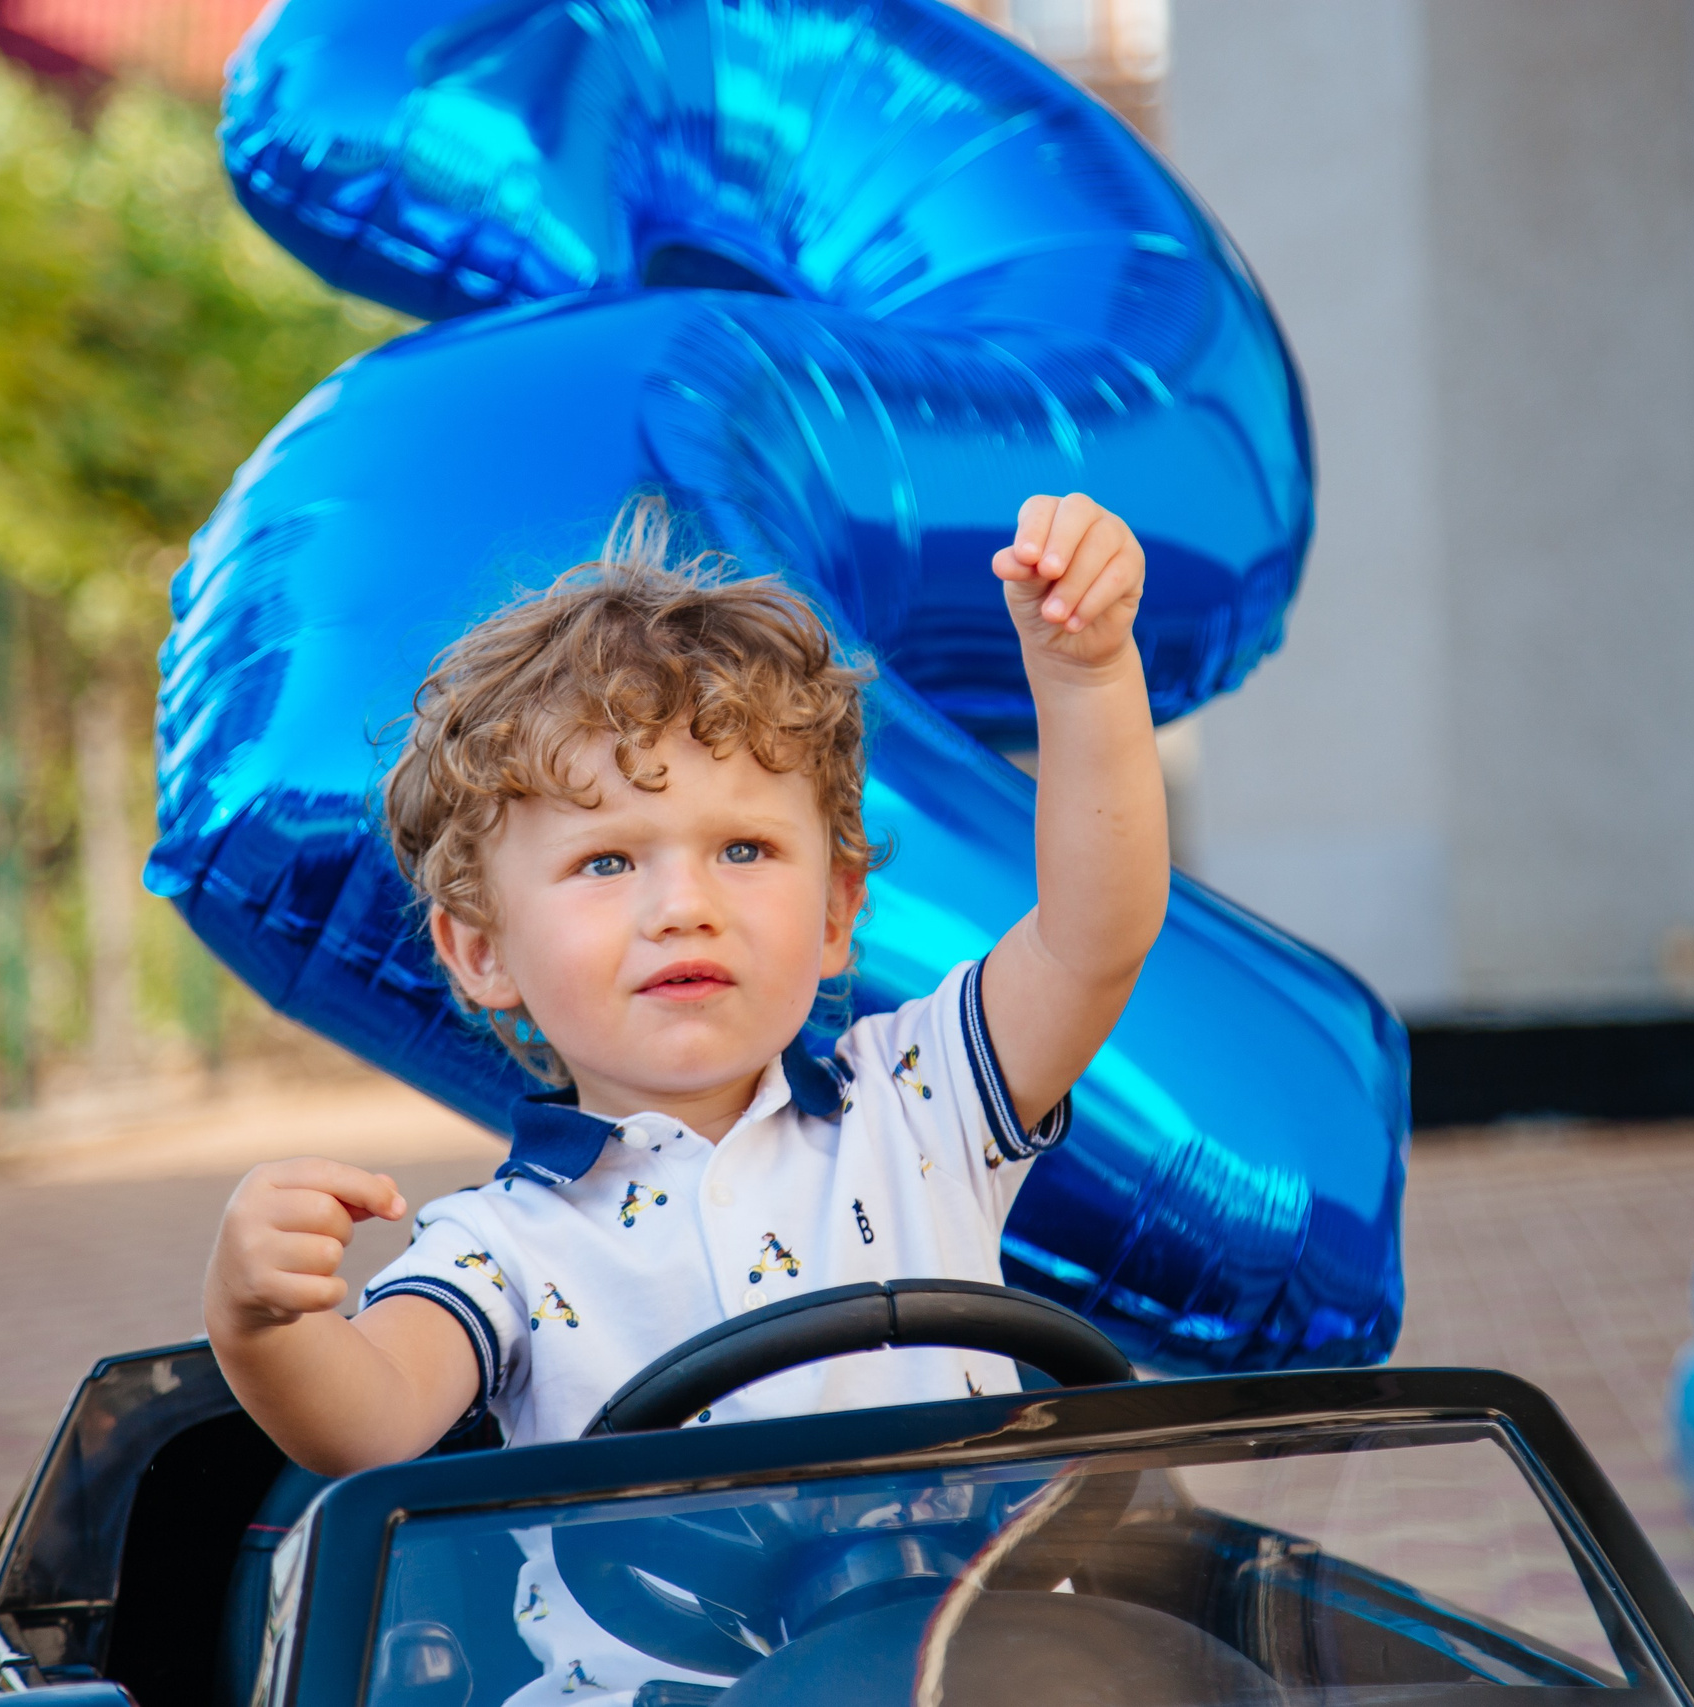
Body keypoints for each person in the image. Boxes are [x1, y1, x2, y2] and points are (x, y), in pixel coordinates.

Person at [204, 491, 1168, 1471]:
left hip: (972, 1623)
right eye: (609, 863)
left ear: (836, 912)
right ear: (483, 952)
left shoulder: (920, 1102)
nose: (683, 906)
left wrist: (1086, 676)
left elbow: (1094, 938)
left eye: (743, 849)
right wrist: (263, 1325)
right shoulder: (499, 1247)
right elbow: (369, 1422)